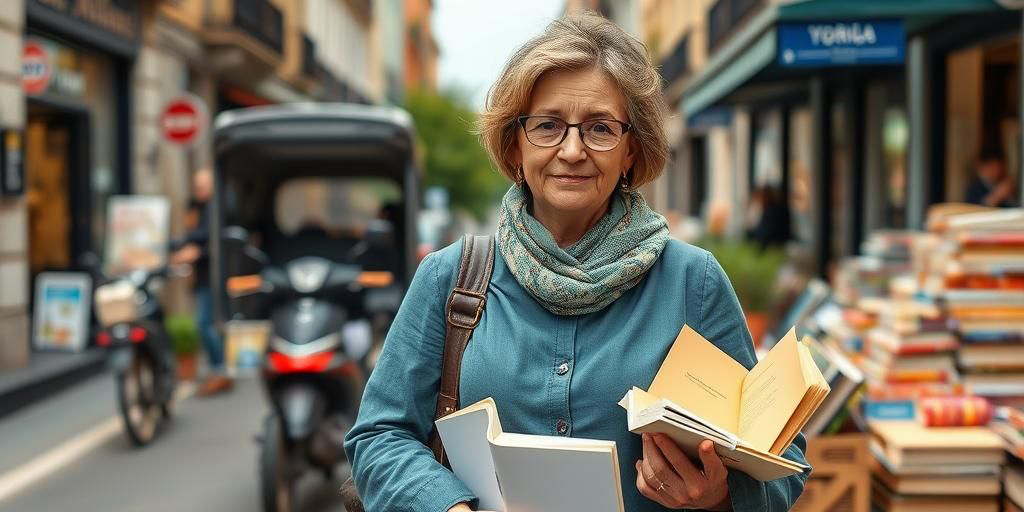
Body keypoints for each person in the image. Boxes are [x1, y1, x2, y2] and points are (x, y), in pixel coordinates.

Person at [344, 12, 808, 512]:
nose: (571, 150)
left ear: (631, 150)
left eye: (600, 128)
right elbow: (378, 436)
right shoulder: (449, 278)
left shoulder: (692, 283)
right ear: (515, 144)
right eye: (547, 126)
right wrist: (447, 506)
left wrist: (720, 496)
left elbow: (782, 460)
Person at [170, 168, 233, 396]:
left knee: (205, 324)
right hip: (205, 276)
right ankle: (220, 370)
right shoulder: (197, 208)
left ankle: (220, 370)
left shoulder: (215, 209)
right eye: (197, 187)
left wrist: (194, 251)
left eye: (203, 186)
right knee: (207, 324)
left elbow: (211, 241)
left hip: (214, 276)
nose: (199, 191)